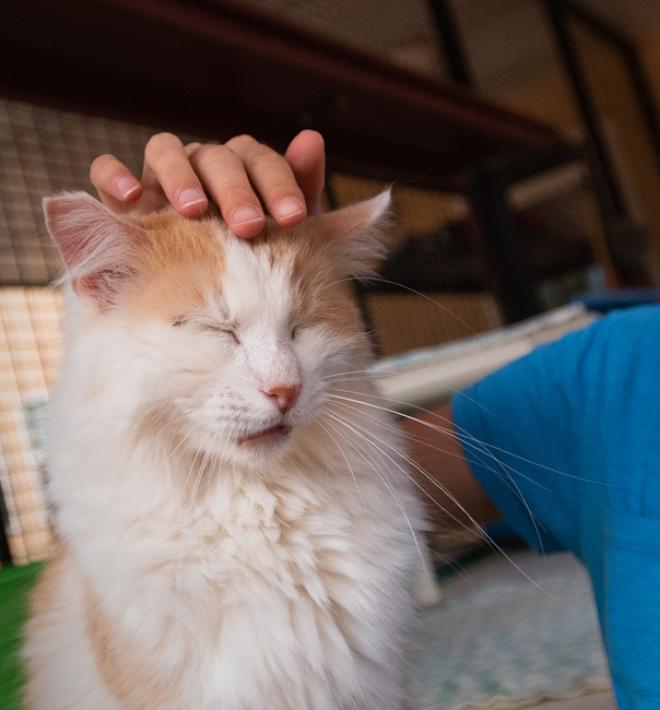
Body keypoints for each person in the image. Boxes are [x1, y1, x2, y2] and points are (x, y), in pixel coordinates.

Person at [90, 131, 660, 710]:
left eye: (301, 329)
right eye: (219, 332)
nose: (282, 383)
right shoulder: (621, 373)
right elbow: (369, 478)